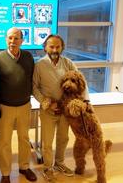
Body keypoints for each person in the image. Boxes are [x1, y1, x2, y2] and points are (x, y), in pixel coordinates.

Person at [32, 34, 89, 181]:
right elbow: (34, 87)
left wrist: (86, 101)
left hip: (66, 110)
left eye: (58, 46)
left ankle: (59, 163)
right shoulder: (39, 65)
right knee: (47, 142)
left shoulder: (68, 63)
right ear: (45, 48)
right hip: (48, 110)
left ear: (62, 47)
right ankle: (47, 167)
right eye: (51, 46)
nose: (55, 49)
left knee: (63, 138)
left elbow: (81, 81)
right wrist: (46, 102)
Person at [0, 27, 37, 183]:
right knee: (4, 141)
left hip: (25, 105)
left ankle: (24, 167)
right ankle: (5, 173)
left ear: (22, 41)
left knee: (24, 138)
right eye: (10, 38)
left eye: (16, 38)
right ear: (5, 39)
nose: (13, 41)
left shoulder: (28, 57)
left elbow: (31, 79)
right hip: (5, 107)